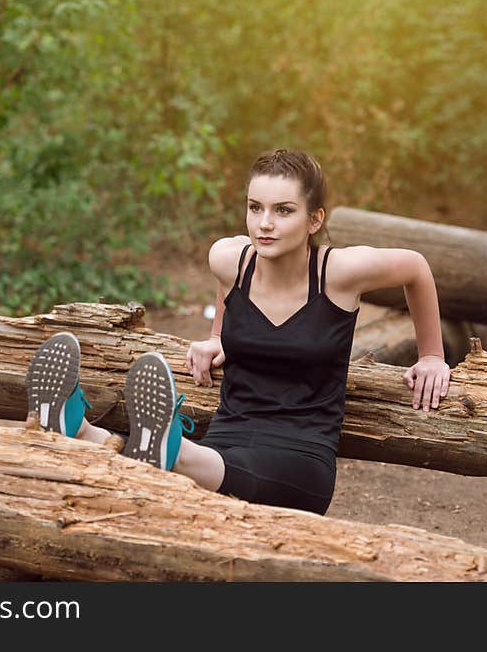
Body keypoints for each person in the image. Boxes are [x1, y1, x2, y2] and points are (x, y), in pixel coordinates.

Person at [27, 148, 450, 516]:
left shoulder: (338, 272)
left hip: (301, 457)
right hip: (229, 434)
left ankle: (125, 442)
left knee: (201, 464)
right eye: (255, 207)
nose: (264, 223)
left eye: (283, 210)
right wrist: (218, 336)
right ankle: (87, 431)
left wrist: (432, 355)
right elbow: (229, 290)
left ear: (314, 219)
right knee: (206, 461)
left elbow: (415, 266)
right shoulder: (229, 259)